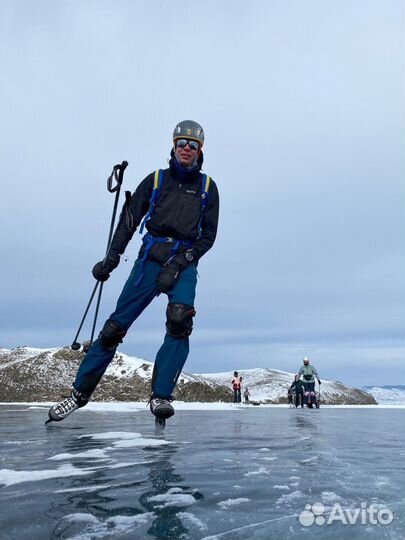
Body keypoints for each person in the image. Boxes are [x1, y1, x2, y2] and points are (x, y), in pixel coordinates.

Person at [48, 120, 219, 423]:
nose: (186, 149)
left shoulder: (207, 188)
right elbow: (129, 221)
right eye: (181, 143)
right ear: (173, 146)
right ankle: (78, 394)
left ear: (200, 151)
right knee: (114, 328)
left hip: (183, 262)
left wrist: (180, 264)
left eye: (193, 146)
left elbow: (208, 237)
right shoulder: (154, 180)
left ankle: (161, 397)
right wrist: (111, 260)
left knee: (179, 321)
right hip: (149, 260)